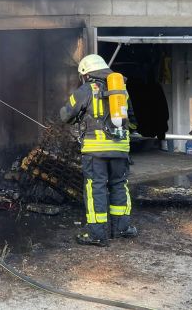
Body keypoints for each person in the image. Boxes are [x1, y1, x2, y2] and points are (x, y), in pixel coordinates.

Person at [60, 54, 138, 246]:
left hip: (96, 152)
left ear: (86, 73)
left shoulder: (86, 89)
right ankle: (122, 228)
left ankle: (97, 234)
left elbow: (65, 115)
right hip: (120, 148)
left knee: (96, 188)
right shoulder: (121, 91)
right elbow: (133, 121)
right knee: (120, 184)